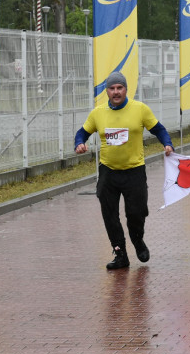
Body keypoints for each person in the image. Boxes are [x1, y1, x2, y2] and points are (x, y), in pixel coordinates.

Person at [74, 72, 174, 269]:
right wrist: (79, 143)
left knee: (136, 213)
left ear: (126, 89)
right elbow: (82, 132)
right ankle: (120, 254)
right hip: (108, 172)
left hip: (134, 171)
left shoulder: (140, 109)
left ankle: (138, 241)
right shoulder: (98, 113)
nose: (116, 92)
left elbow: (159, 129)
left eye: (120, 88)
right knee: (109, 214)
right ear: (107, 91)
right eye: (112, 88)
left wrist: (167, 144)